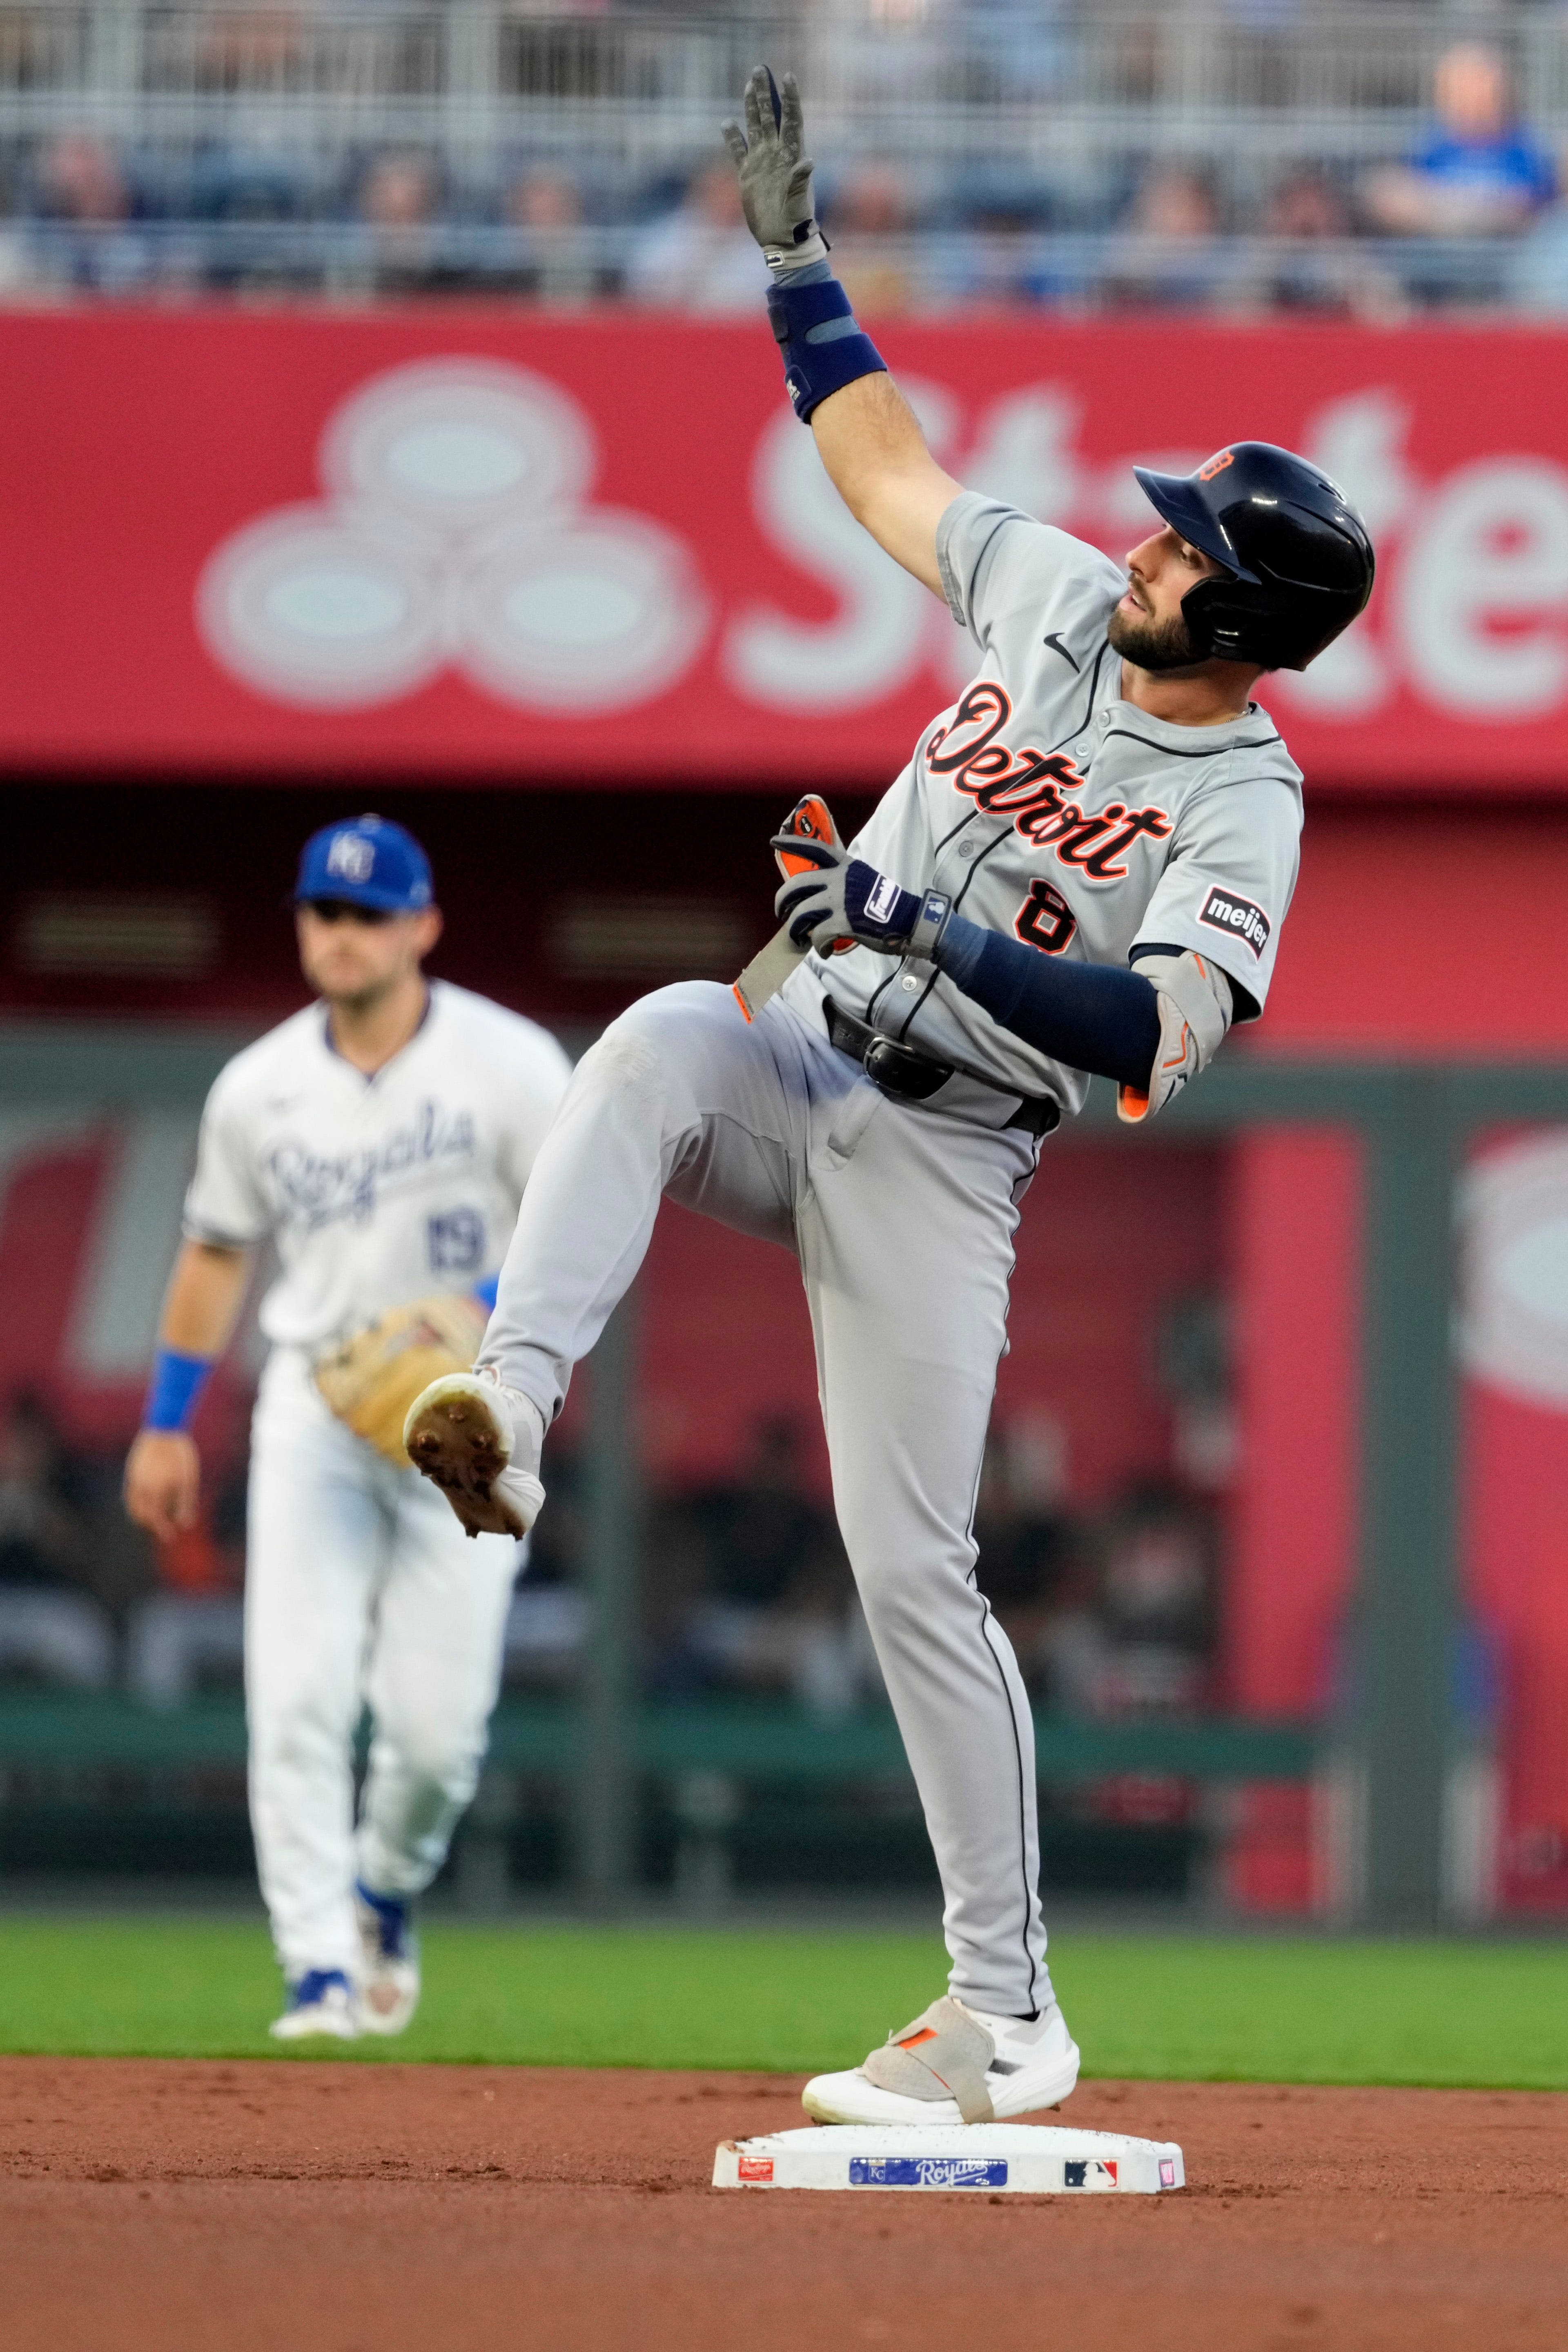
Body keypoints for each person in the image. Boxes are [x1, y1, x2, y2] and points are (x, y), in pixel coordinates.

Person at [402, 68, 1374, 2131]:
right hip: (803, 1053)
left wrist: (930, 940)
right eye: (1163, 517)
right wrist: (794, 268)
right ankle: (511, 1410)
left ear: (1250, 619)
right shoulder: (1048, 598)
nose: (1147, 541)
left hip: (949, 1147)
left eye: (1189, 543)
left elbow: (1160, 1030)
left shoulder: (1245, 793)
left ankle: (1003, 2010)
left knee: (913, 1570)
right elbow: (886, 466)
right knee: (665, 1033)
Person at [123, 815, 571, 2040]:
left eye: (371, 913)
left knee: (436, 1738)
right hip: (317, 1404)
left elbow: (587, 1226)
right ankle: (316, 1965)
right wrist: (169, 1422)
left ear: (423, 925)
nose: (344, 930)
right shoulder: (258, 1086)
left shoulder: (513, 1062)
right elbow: (216, 1253)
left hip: (470, 1416)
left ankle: (381, 1888)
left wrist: (474, 1307)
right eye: (325, 909)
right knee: (300, 1698)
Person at [1361, 40, 1555, 240]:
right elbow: (1395, 198)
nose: (1472, 98)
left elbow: (1526, 210)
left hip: (1510, 257)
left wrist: (1443, 206)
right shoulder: (1430, 144)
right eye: (1460, 89)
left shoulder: (1527, 146)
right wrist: (1479, 211)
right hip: (1435, 251)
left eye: (1480, 85)